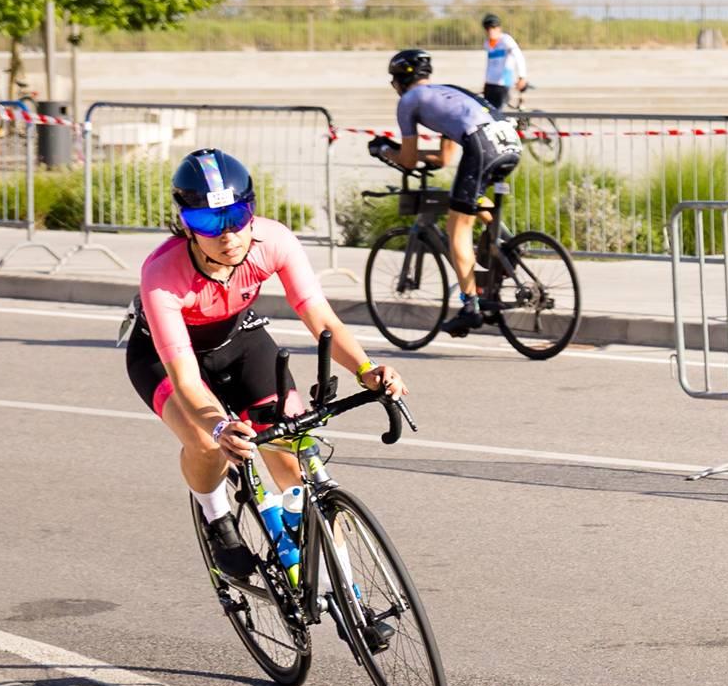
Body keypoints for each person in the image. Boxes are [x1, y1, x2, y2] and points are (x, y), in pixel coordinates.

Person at [127, 148, 400, 580]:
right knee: (206, 442)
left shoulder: (273, 241)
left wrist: (367, 370)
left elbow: (321, 318)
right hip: (165, 359)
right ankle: (217, 518)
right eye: (208, 223)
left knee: (291, 448)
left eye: (236, 217)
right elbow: (186, 380)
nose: (228, 236)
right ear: (185, 223)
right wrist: (220, 426)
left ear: (251, 210)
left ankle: (343, 587)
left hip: (240, 339)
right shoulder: (162, 273)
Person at [370, 46, 523, 338]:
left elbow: (408, 160)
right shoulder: (447, 92)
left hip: (481, 146)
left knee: (456, 229)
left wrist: (384, 149)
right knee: (467, 198)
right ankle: (506, 243)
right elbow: (444, 158)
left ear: (400, 80)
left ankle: (470, 306)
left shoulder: (409, 101)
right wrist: (411, 155)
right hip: (509, 141)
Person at [481, 13, 528, 114]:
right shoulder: (487, 43)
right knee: (486, 112)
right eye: (488, 28)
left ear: (499, 28)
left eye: (493, 27)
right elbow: (490, 64)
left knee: (498, 114)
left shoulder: (506, 40)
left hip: (502, 84)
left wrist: (522, 76)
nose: (491, 31)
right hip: (490, 84)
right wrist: (486, 81)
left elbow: (519, 56)